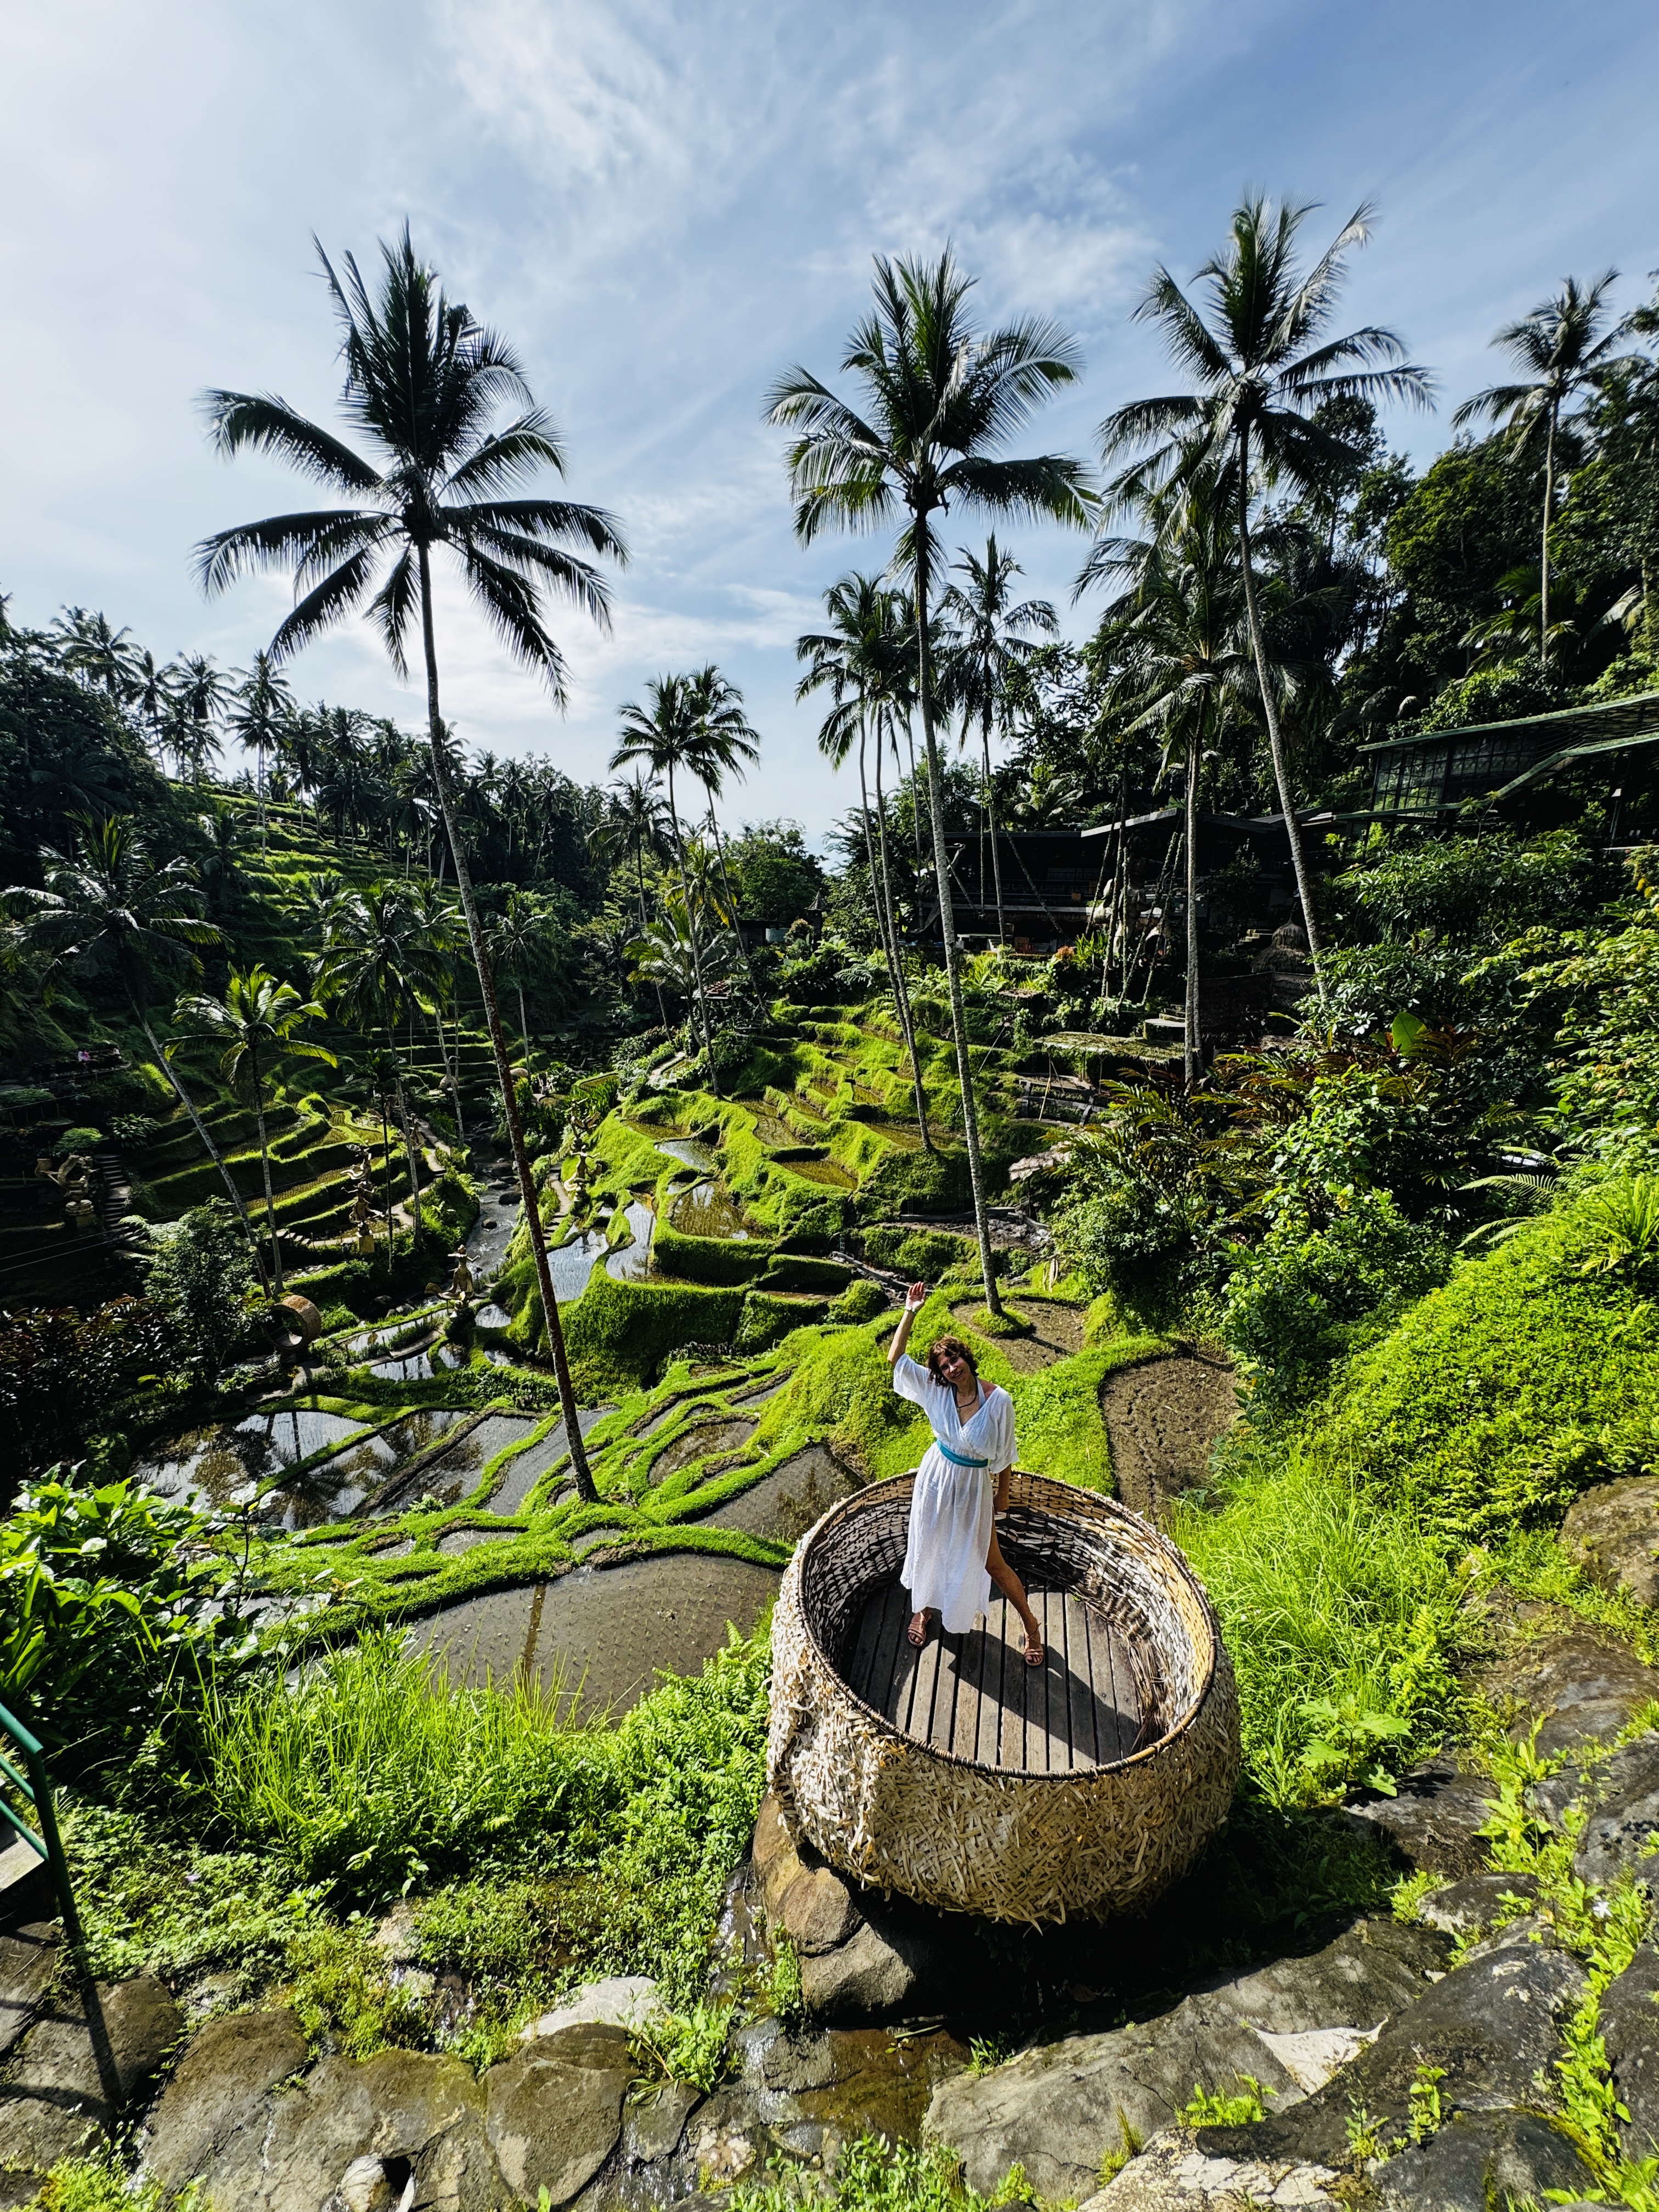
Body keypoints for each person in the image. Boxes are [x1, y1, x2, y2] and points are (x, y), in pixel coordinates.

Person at [887, 1281, 1045, 1666]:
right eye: (944, 1366)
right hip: (936, 1479)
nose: (951, 1368)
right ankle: (923, 1611)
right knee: (929, 1545)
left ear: (967, 1357)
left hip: (974, 1487)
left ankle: (1032, 1625)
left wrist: (1003, 1496)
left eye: (955, 1360)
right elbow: (895, 1359)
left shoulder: (998, 1401)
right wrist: (911, 1310)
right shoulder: (938, 1390)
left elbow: (1006, 1455)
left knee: (992, 1561)